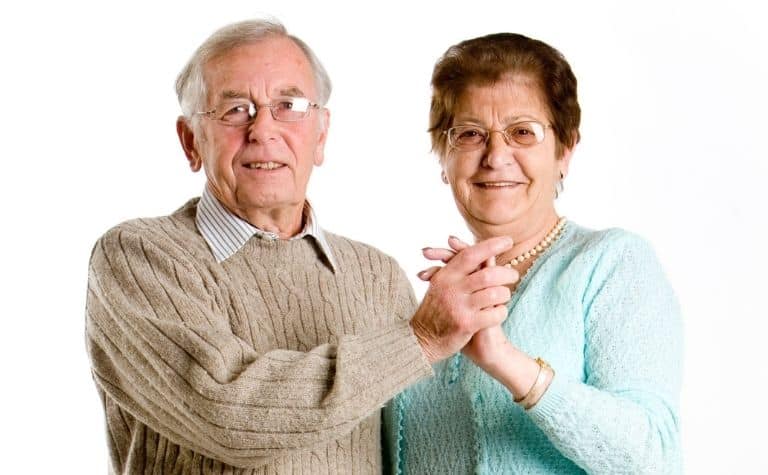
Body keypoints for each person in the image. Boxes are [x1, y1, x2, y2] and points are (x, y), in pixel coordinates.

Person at [84, 20, 519, 474]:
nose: (263, 130)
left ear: (321, 134)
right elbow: (231, 419)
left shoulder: (378, 274)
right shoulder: (139, 258)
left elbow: (416, 450)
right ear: (191, 141)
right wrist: (420, 338)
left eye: (288, 106)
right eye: (235, 109)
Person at [384, 33, 683, 474]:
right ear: (444, 157)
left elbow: (652, 458)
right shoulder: (425, 298)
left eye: (523, 132)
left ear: (565, 150)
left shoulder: (610, 263)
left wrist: (505, 360)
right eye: (470, 134)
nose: (496, 156)